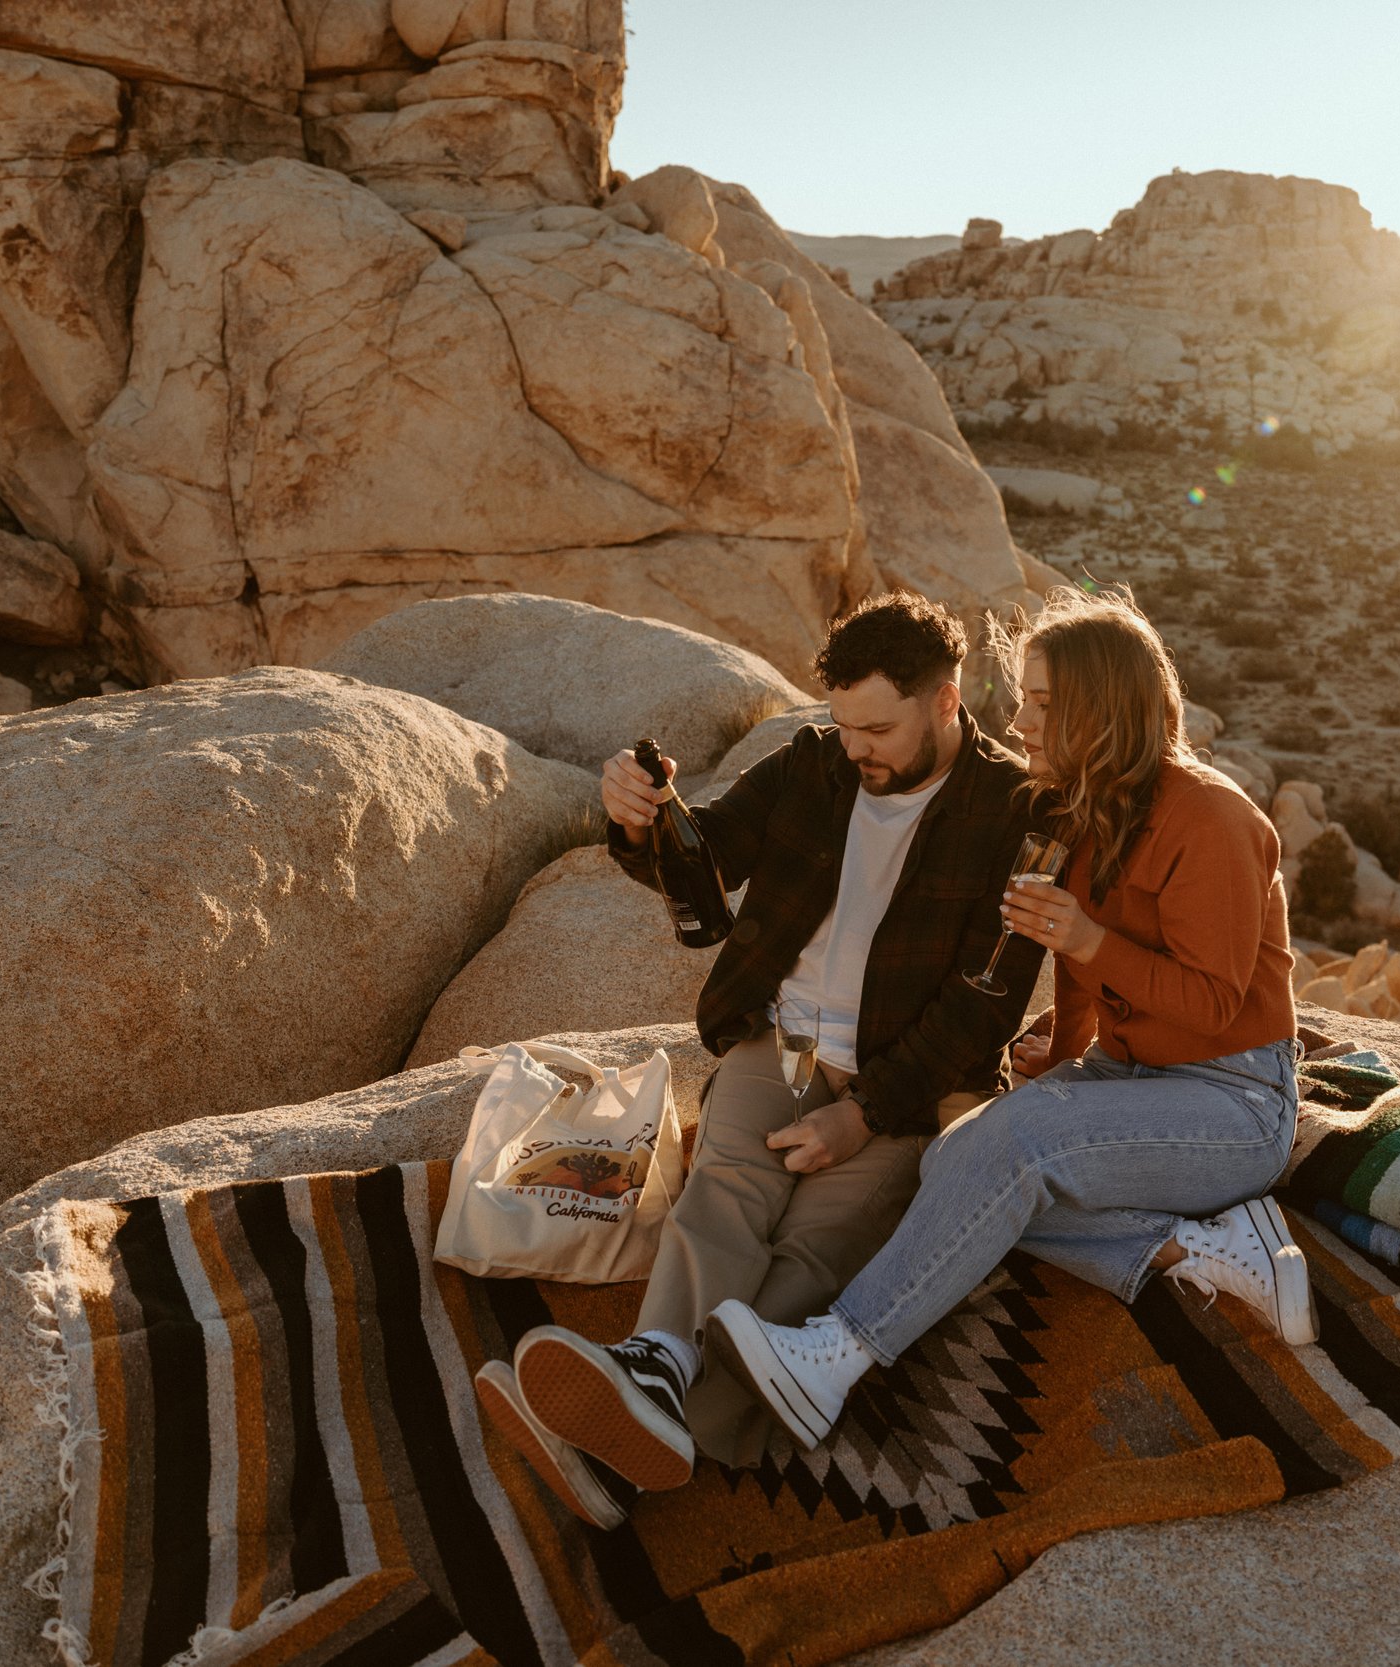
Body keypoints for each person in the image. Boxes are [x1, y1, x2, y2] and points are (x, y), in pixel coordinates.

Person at [473, 592, 1047, 1527]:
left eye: (878, 726)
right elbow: (707, 850)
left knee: (815, 1248)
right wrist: (640, 816)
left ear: (945, 701)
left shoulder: (1012, 808)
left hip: (907, 1079)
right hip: (780, 1040)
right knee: (729, 1181)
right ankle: (655, 1361)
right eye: (843, 722)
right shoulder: (815, 765)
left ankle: (635, 1446)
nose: (857, 746)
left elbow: (983, 1005)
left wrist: (859, 1114)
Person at [703, 586, 1311, 1452]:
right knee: (957, 1156)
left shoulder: (1211, 818)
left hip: (1232, 1099)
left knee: (1011, 1149)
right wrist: (1064, 1063)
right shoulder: (1085, 805)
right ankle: (1196, 1249)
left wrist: (1092, 940)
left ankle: (837, 1353)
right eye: (1022, 697)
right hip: (1130, 1075)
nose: (1019, 720)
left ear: (1105, 709)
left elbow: (1214, 1003)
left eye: (1044, 704)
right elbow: (1073, 975)